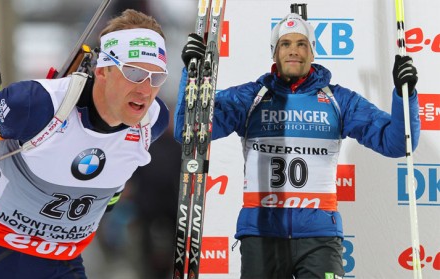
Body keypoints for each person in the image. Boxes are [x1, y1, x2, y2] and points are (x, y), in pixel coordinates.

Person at [0, 9, 170, 278]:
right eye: (134, 73)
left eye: (157, 77)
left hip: (63, 264)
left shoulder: (151, 120)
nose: (145, 90)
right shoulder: (36, 105)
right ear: (103, 70)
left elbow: (121, 159)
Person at [175, 13, 420, 278]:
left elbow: (396, 143)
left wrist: (405, 95)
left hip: (320, 239)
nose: (294, 51)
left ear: (312, 52)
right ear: (274, 52)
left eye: (302, 44)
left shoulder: (338, 100)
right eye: (286, 44)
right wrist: (191, 75)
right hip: (262, 234)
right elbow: (189, 132)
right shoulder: (250, 98)